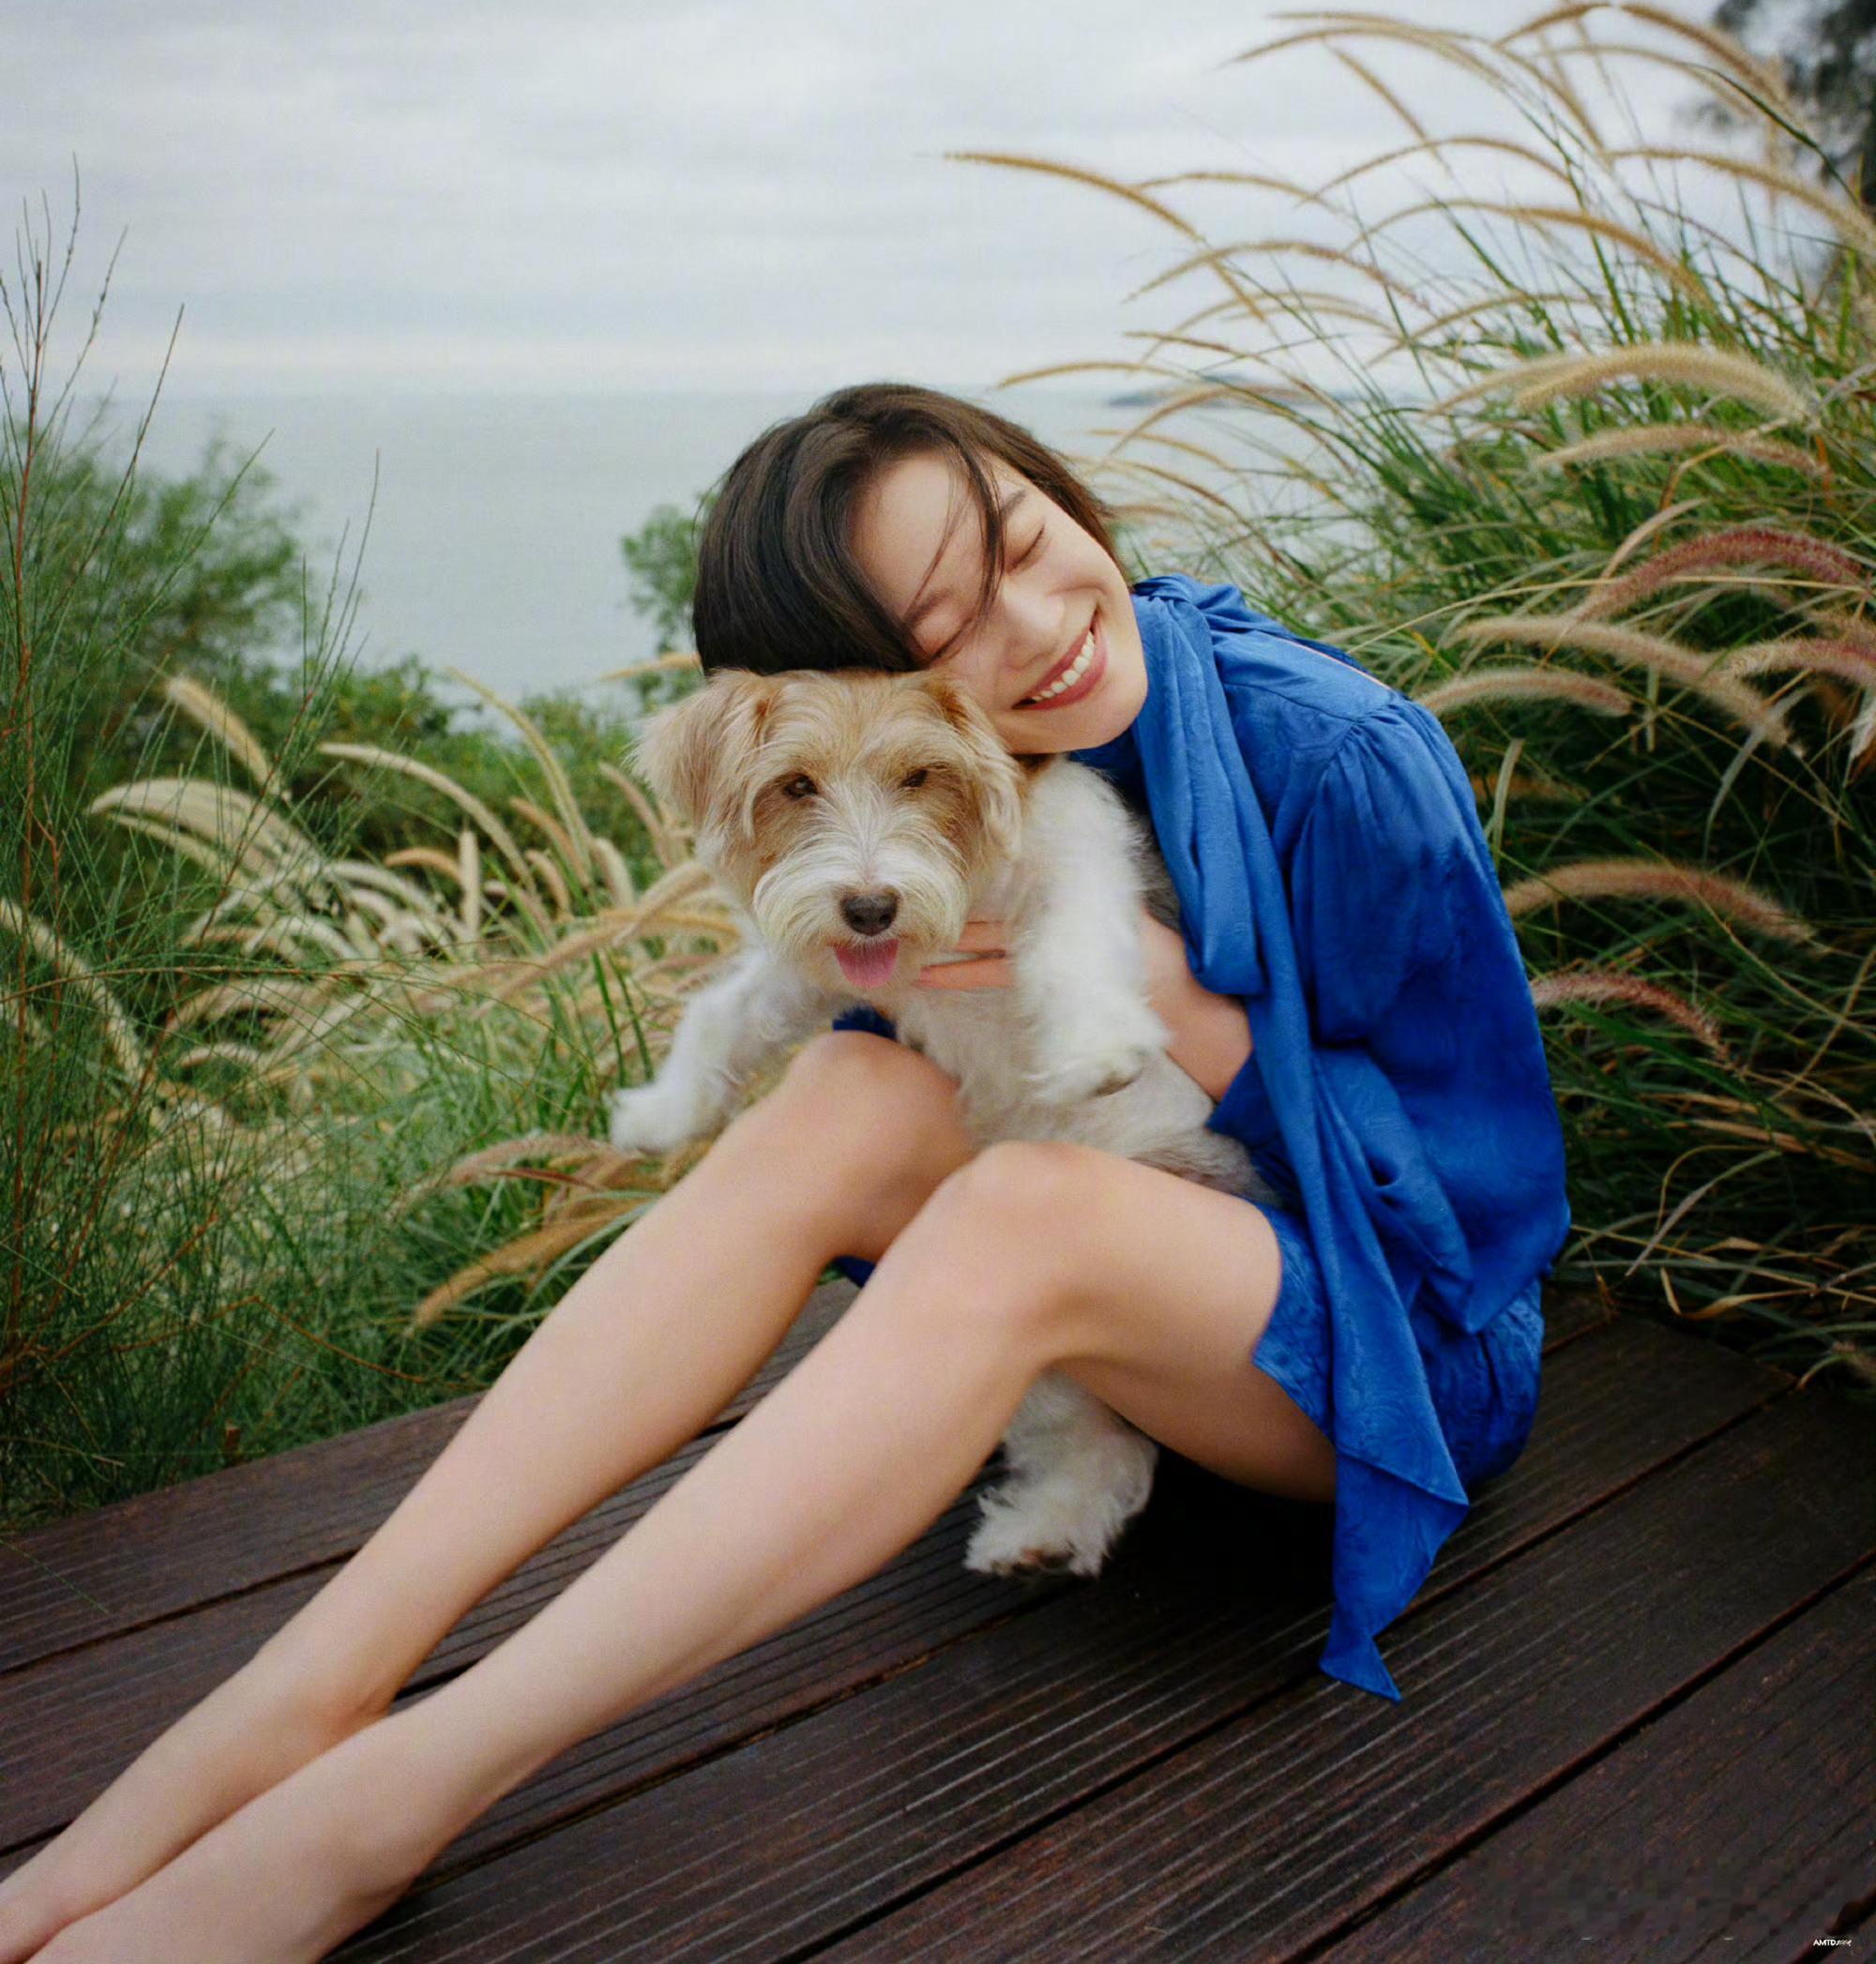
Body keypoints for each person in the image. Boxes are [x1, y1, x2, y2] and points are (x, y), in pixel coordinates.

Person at [0, 382, 1570, 1963]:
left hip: (1401, 1364)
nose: (1039, 626)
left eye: (1028, 541)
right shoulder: (960, 785)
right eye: (952, 626)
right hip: (1148, 1312)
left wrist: (1187, 1011)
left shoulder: (1337, 755)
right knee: (844, 1091)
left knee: (1021, 1213)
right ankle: (305, 1686)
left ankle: (388, 1806)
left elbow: (1484, 1221)